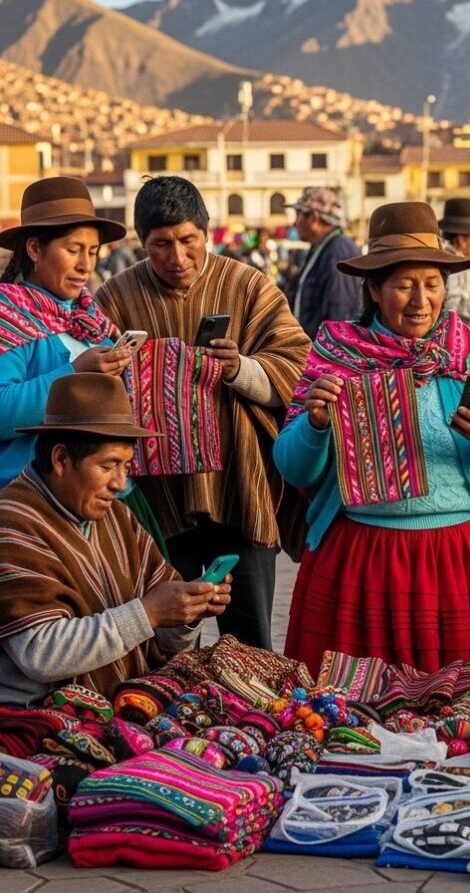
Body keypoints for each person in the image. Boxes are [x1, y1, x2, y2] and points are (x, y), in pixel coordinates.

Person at [275, 201, 470, 673]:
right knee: (365, 720)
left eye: (431, 284)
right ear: (374, 290)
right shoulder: (339, 355)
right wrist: (316, 425)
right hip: (363, 566)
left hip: (469, 563)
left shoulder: (465, 351)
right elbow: (292, 465)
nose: (421, 300)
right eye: (404, 286)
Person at [96, 176, 309, 650]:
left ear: (206, 232)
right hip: (158, 500)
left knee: (251, 644)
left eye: (188, 241)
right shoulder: (115, 298)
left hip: (240, 489)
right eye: (161, 245)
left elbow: (299, 365)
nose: (177, 258)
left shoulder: (248, 286)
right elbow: (94, 386)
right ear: (141, 242)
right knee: (166, 643)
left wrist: (241, 369)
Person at [0, 373, 230, 705]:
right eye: (108, 466)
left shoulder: (117, 516)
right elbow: (40, 653)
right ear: (61, 459)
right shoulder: (12, 523)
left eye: (125, 466)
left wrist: (187, 611)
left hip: (115, 704)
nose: (120, 483)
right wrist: (148, 613)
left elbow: (160, 639)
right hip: (38, 718)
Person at [0, 176, 168, 554]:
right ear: (34, 249)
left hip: (109, 502)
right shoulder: (7, 318)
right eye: (73, 249)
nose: (85, 265)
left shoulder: (92, 322)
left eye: (92, 252)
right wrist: (75, 375)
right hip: (34, 509)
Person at [285, 186, 362, 338]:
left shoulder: (338, 251)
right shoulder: (320, 248)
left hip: (327, 355)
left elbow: (340, 314)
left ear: (313, 218)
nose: (295, 223)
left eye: (298, 214)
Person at [438, 198, 470, 332]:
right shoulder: (457, 267)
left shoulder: (444, 260)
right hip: (460, 347)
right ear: (461, 240)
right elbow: (447, 313)